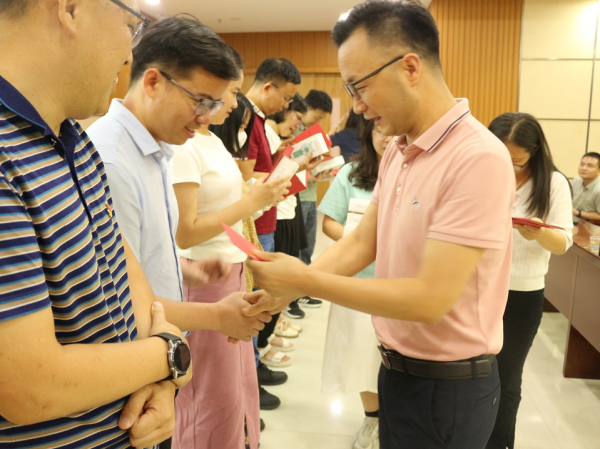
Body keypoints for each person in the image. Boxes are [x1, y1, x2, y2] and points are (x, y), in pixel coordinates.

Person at [244, 1, 515, 448]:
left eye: (360, 86)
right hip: (394, 368)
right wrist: (285, 291)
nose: (358, 106)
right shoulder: (398, 151)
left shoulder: (477, 158)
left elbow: (430, 299)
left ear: (410, 67)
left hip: (447, 388)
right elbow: (361, 244)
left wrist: (305, 281)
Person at [0, 1, 197, 447]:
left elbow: (128, 276)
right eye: (131, 25)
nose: (129, 55)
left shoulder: (74, 141)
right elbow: (31, 386)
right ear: (71, 8)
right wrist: (172, 354)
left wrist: (161, 379)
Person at [87, 18, 274, 449]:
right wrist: (217, 316)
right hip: (127, 369)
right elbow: (115, 302)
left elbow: (134, 259)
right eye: (201, 101)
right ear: (153, 81)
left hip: (155, 355)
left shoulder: (158, 148)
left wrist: (185, 270)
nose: (208, 117)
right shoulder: (112, 162)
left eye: (216, 103)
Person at [168, 48, 287, 449]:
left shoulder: (213, 141)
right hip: (205, 276)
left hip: (230, 268)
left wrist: (257, 195)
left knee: (236, 385)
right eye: (233, 92)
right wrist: (251, 202)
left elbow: (227, 206)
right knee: (209, 393)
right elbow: (185, 233)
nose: (236, 103)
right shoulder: (185, 148)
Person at [485, 113, 573, 449]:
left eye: (517, 160)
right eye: (501, 156)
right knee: (471, 375)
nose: (508, 166)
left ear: (534, 152)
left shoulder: (553, 183)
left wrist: (539, 234)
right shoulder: (484, 171)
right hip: (478, 288)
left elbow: (562, 243)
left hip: (522, 295)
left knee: (506, 379)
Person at [319, 120, 393, 449]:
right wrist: (360, 241)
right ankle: (372, 419)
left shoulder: (417, 176)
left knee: (393, 360)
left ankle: (394, 421)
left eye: (395, 132)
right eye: (381, 131)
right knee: (361, 358)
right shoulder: (350, 174)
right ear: (369, 134)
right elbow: (329, 223)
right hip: (357, 283)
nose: (388, 138)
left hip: (399, 285)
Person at [295, 90, 334, 310]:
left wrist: (321, 171)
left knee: (308, 246)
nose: (317, 122)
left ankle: (303, 291)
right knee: (296, 248)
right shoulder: (294, 131)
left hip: (310, 196)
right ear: (306, 107)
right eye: (317, 117)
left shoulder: (313, 134)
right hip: (296, 197)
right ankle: (292, 296)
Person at [571, 152, 600, 222]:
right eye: (582, 164)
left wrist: (577, 213)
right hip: (574, 221)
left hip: (593, 225)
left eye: (590, 166)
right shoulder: (576, 180)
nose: (583, 168)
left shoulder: (598, 189)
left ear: (599, 171)